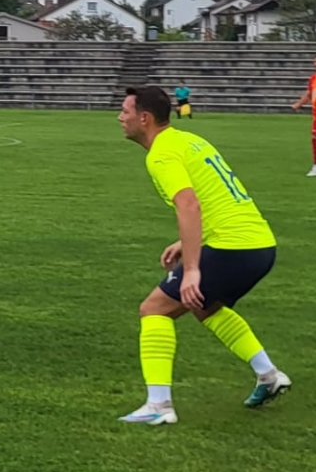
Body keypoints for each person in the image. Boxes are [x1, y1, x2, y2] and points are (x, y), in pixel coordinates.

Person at [115, 85, 288, 425]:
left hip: (233, 247)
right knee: (203, 306)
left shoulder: (162, 153)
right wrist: (185, 243)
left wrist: (192, 268)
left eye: (125, 112)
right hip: (258, 244)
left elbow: (189, 204)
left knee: (154, 309)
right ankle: (268, 375)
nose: (120, 118)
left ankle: (159, 405)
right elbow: (216, 197)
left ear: (144, 118)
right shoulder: (189, 140)